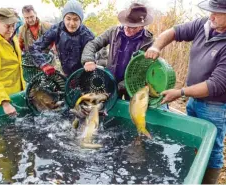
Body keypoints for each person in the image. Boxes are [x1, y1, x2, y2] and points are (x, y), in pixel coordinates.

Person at [144, 0, 226, 183]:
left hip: (215, 105)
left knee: (212, 149)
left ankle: (206, 181)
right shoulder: (203, 24)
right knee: (193, 140)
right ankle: (190, 176)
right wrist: (156, 46)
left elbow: (215, 85)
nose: (211, 15)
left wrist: (180, 92)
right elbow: (173, 32)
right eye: (211, 10)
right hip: (193, 99)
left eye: (217, 13)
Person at [81, 3, 154, 99]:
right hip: (111, 79)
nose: (129, 30)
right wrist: (88, 60)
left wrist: (120, 86)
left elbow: (143, 71)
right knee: (108, 107)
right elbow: (93, 44)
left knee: (129, 109)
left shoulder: (148, 42)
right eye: (127, 25)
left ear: (141, 26)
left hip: (132, 85)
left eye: (134, 27)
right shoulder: (113, 32)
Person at [29, 0, 95, 77]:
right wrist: (44, 64)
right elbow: (34, 47)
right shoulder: (56, 30)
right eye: (68, 19)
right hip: (65, 73)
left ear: (80, 20)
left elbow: (94, 54)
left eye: (76, 19)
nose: (72, 23)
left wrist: (90, 61)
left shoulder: (87, 35)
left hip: (84, 74)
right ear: (63, 18)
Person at [0, 8, 26, 116]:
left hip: (17, 92)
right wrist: (5, 103)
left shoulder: (12, 37)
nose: (11, 29)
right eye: (7, 26)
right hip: (3, 99)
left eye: (13, 25)